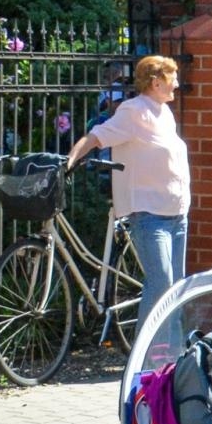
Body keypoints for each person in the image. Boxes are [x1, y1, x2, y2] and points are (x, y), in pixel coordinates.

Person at [65, 54, 190, 330]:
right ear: (156, 82)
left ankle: (172, 357)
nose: (178, 84)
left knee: (176, 288)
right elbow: (97, 136)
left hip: (177, 213)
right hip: (149, 214)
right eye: (173, 78)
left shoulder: (164, 112)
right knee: (161, 283)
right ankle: (143, 359)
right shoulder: (134, 111)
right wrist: (71, 159)